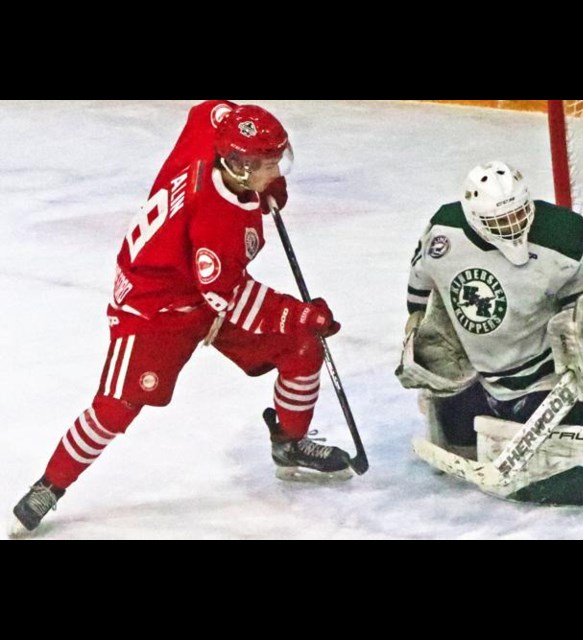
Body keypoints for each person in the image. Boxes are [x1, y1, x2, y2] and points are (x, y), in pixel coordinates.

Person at [10, 101, 348, 538]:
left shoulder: (215, 141)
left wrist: (243, 139)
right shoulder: (216, 221)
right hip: (154, 309)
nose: (278, 170)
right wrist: (296, 311)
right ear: (240, 167)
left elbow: (208, 110)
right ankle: (48, 486)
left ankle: (290, 443)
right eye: (269, 164)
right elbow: (227, 295)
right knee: (115, 408)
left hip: (201, 290)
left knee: (302, 345)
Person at [396, 160, 583, 516]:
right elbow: (419, 292)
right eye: (499, 221)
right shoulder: (445, 229)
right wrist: (418, 331)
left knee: (534, 472)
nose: (512, 227)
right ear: (475, 216)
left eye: (518, 214)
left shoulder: (563, 234)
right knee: (462, 444)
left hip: (545, 377)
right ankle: (457, 407)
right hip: (474, 373)